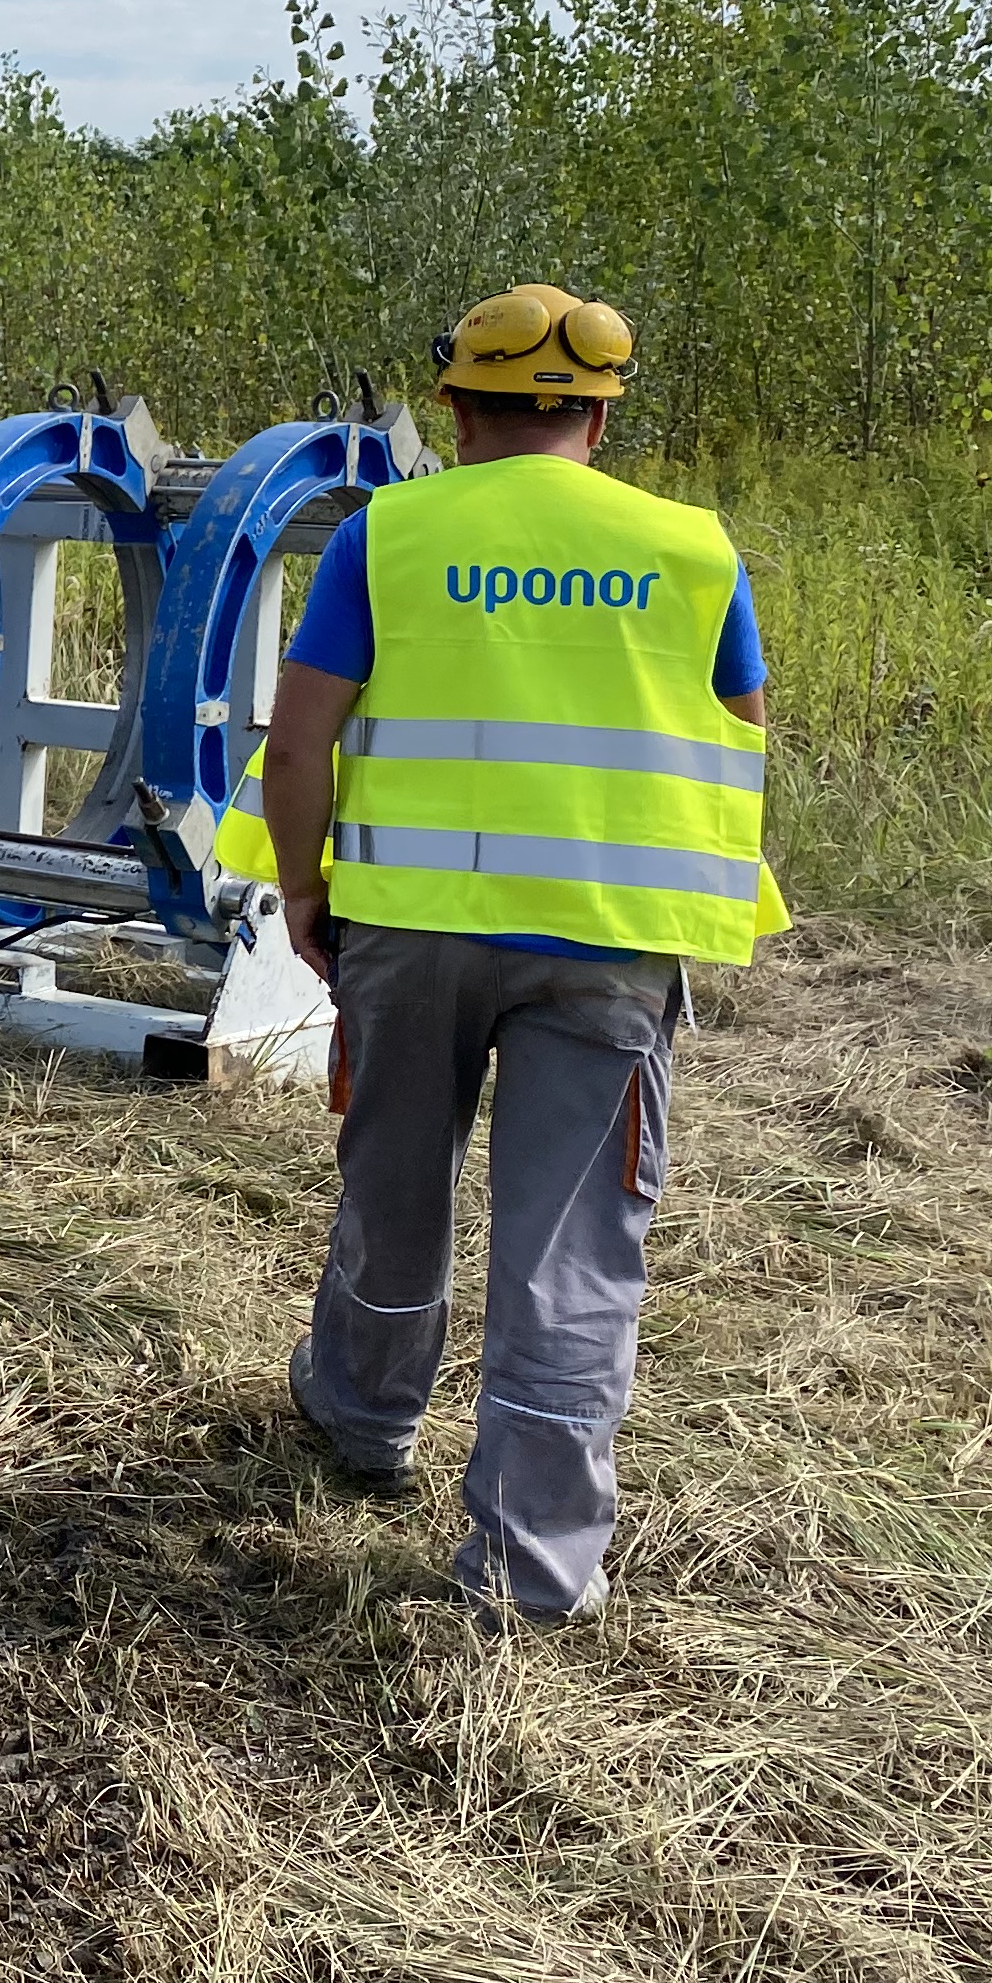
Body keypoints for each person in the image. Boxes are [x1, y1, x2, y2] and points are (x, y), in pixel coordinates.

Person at [228, 284, 784, 1625]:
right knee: (571, 1250)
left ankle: (364, 1417)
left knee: (396, 1183)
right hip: (608, 946)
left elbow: (299, 743)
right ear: (599, 413)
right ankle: (531, 1568)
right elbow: (741, 741)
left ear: (459, 409)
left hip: (409, 935)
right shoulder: (691, 551)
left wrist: (304, 895)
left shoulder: (391, 534)